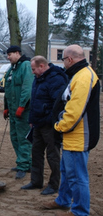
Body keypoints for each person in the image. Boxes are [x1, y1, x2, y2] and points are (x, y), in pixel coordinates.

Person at [42, 44, 100, 216]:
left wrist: (59, 127)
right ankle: (63, 200)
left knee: (76, 177)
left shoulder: (84, 77)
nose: (63, 64)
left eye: (64, 59)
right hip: (71, 136)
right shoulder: (78, 75)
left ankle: (80, 211)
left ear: (70, 59)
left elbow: (75, 110)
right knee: (67, 172)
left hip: (78, 136)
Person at [21, 56, 67, 195]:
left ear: (41, 66)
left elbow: (57, 104)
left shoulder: (56, 79)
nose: (32, 72)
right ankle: (36, 181)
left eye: (34, 69)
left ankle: (54, 185)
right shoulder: (38, 78)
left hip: (49, 125)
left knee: (52, 155)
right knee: (36, 152)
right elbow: (34, 100)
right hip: (37, 123)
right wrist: (32, 119)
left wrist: (49, 121)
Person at [3, 45, 34, 179]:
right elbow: (8, 89)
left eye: (10, 55)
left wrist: (22, 106)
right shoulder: (12, 69)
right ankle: (23, 162)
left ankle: (24, 165)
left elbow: (27, 88)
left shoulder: (26, 66)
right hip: (13, 111)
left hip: (23, 111)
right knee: (14, 137)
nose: (8, 57)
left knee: (23, 138)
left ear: (17, 53)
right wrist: (6, 107)